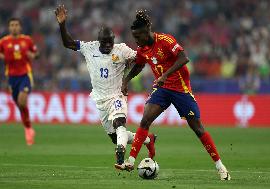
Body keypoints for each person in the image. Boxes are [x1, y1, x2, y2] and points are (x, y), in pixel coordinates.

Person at [116, 10, 231, 180]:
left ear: (147, 30)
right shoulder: (142, 49)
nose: (136, 41)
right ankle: (131, 161)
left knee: (198, 128)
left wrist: (165, 75)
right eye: (134, 37)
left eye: (138, 36)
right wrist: (126, 81)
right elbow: (139, 66)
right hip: (162, 90)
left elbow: (184, 58)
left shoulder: (165, 40)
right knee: (145, 119)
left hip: (181, 89)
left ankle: (221, 167)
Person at [54, 5, 156, 167]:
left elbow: (141, 61)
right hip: (100, 99)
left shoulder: (122, 50)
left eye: (110, 42)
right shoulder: (89, 48)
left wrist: (126, 80)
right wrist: (62, 24)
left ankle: (120, 153)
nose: (108, 45)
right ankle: (148, 139)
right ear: (99, 41)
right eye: (105, 43)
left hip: (117, 95)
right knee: (115, 136)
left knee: (119, 123)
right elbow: (68, 43)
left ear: (114, 40)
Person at [0, 18, 38, 146]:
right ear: (9, 27)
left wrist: (33, 55)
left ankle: (28, 129)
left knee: (22, 101)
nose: (14, 27)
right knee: (20, 106)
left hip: (25, 75)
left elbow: (36, 53)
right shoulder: (4, 42)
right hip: (11, 77)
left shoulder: (27, 40)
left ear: (20, 27)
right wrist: (3, 56)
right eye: (12, 25)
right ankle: (28, 128)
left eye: (16, 25)